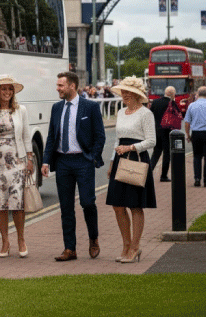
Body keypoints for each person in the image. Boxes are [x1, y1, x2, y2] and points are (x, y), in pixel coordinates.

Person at [42, 71, 106, 262]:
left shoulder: (90, 107)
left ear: (72, 86)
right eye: (57, 85)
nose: (57, 89)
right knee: (66, 208)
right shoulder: (56, 108)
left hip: (82, 161)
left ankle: (93, 238)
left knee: (87, 202)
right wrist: (45, 161)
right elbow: (51, 136)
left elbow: (100, 136)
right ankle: (70, 248)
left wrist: (91, 158)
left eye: (61, 85)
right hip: (62, 162)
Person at [0, 75, 34, 258]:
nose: (7, 92)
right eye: (4, 89)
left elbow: (26, 135)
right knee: (0, 203)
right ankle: (5, 242)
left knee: (17, 203)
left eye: (10, 89)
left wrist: (30, 160)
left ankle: (21, 239)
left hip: (17, 161)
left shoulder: (21, 110)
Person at [106, 76, 156, 263]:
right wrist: (112, 162)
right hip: (120, 159)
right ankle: (126, 245)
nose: (124, 95)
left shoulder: (145, 114)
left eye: (128, 92)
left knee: (135, 205)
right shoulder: (120, 112)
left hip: (137, 159)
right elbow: (118, 140)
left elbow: (152, 141)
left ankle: (135, 247)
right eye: (123, 91)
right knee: (117, 205)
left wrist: (131, 148)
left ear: (137, 94)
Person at [183, 86, 206, 187]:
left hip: (196, 133)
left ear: (198, 94)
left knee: (197, 157)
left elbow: (187, 122)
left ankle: (197, 179)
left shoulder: (191, 106)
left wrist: (187, 134)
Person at [149, 86, 176, 182]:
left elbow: (150, 115)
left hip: (156, 131)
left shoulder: (155, 102)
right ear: (173, 94)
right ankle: (163, 176)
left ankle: (148, 173)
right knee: (167, 154)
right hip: (167, 132)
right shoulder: (172, 104)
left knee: (156, 153)